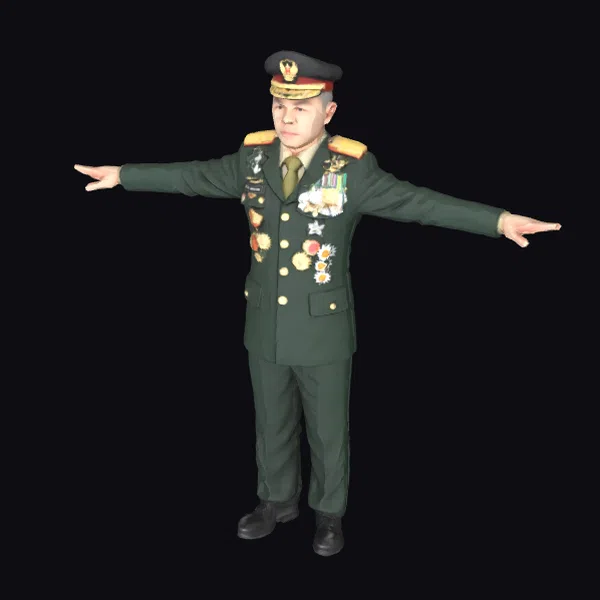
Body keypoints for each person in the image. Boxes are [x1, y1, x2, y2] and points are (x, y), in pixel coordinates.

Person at [74, 50, 561, 557]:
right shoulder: (253, 159)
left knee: (327, 430)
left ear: (328, 112)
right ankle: (275, 502)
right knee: (271, 421)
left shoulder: (350, 168)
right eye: (279, 105)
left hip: (323, 327)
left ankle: (329, 514)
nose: (286, 117)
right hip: (265, 322)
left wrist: (498, 221)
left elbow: (420, 204)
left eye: (301, 107)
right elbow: (191, 177)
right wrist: (124, 174)